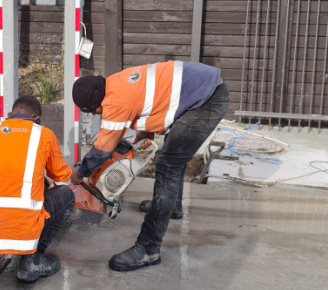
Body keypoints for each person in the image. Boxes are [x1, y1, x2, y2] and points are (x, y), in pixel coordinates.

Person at [71, 61, 229, 271]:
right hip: (203, 88)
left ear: (98, 100)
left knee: (168, 164)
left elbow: (103, 148)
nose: (94, 115)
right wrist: (142, 137)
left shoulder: (115, 101)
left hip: (206, 99)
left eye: (93, 110)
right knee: (174, 155)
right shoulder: (117, 82)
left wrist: (80, 173)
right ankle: (171, 207)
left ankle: (148, 249)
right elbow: (152, 104)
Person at [0, 95, 74, 282]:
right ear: (37, 118)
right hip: (24, 224)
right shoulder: (44, 134)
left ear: (9, 115)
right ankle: (30, 262)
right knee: (66, 194)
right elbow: (62, 177)